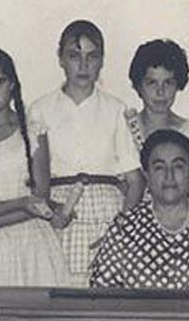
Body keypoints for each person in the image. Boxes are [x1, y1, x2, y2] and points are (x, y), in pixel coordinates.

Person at [27, 21, 141, 284]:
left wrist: (120, 231)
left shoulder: (116, 108)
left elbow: (135, 181)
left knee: (105, 295)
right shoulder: (40, 109)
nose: (83, 64)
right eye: (74, 56)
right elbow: (37, 180)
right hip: (59, 210)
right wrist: (51, 209)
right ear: (61, 59)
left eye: (92, 57)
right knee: (56, 288)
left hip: (106, 213)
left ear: (102, 61)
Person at [0, 47, 72, 287]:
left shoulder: (33, 132)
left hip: (31, 243)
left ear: (11, 84)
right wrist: (22, 204)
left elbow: (40, 196)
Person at [89, 129, 189, 291]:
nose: (169, 176)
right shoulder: (124, 228)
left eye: (178, 166)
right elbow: (103, 290)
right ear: (147, 175)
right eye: (159, 168)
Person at [125, 38, 189, 171]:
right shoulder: (124, 128)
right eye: (152, 83)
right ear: (139, 86)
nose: (160, 92)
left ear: (178, 84)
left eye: (168, 82)